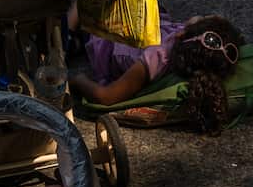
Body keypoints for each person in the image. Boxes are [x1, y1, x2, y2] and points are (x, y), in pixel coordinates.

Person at [69, 10, 242, 130]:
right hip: (147, 22)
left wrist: (77, 80)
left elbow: (106, 96)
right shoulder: (193, 54)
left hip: (107, 31)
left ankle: (68, 34)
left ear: (182, 34)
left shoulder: (156, 58)